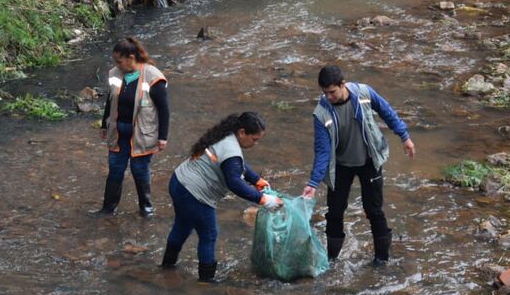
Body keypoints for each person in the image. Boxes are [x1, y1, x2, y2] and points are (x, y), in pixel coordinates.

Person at [301, 65, 416, 265]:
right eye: (324, 93)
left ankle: (382, 259)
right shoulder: (321, 114)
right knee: (335, 213)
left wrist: (404, 136)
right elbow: (322, 151)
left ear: (343, 84)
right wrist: (313, 182)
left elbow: (386, 112)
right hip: (341, 166)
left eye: (332, 92)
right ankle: (331, 260)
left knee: (374, 210)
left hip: (369, 160)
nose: (328, 97)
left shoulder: (364, 93)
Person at [160, 112, 282, 282]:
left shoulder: (225, 134)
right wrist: (262, 199)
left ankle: (167, 267)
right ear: (242, 132)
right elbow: (234, 182)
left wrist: (255, 179)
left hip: (179, 181)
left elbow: (237, 165)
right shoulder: (232, 150)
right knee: (209, 235)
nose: (256, 144)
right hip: (194, 194)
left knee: (182, 225)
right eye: (254, 139)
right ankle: (206, 281)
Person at [94, 37, 170, 217]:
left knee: (139, 170)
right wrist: (105, 124)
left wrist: (163, 137)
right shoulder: (115, 73)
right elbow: (110, 100)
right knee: (115, 169)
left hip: (142, 134)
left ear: (131, 57)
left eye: (119, 61)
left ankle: (146, 208)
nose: (116, 65)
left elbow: (164, 109)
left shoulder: (153, 77)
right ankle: (108, 208)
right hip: (118, 132)